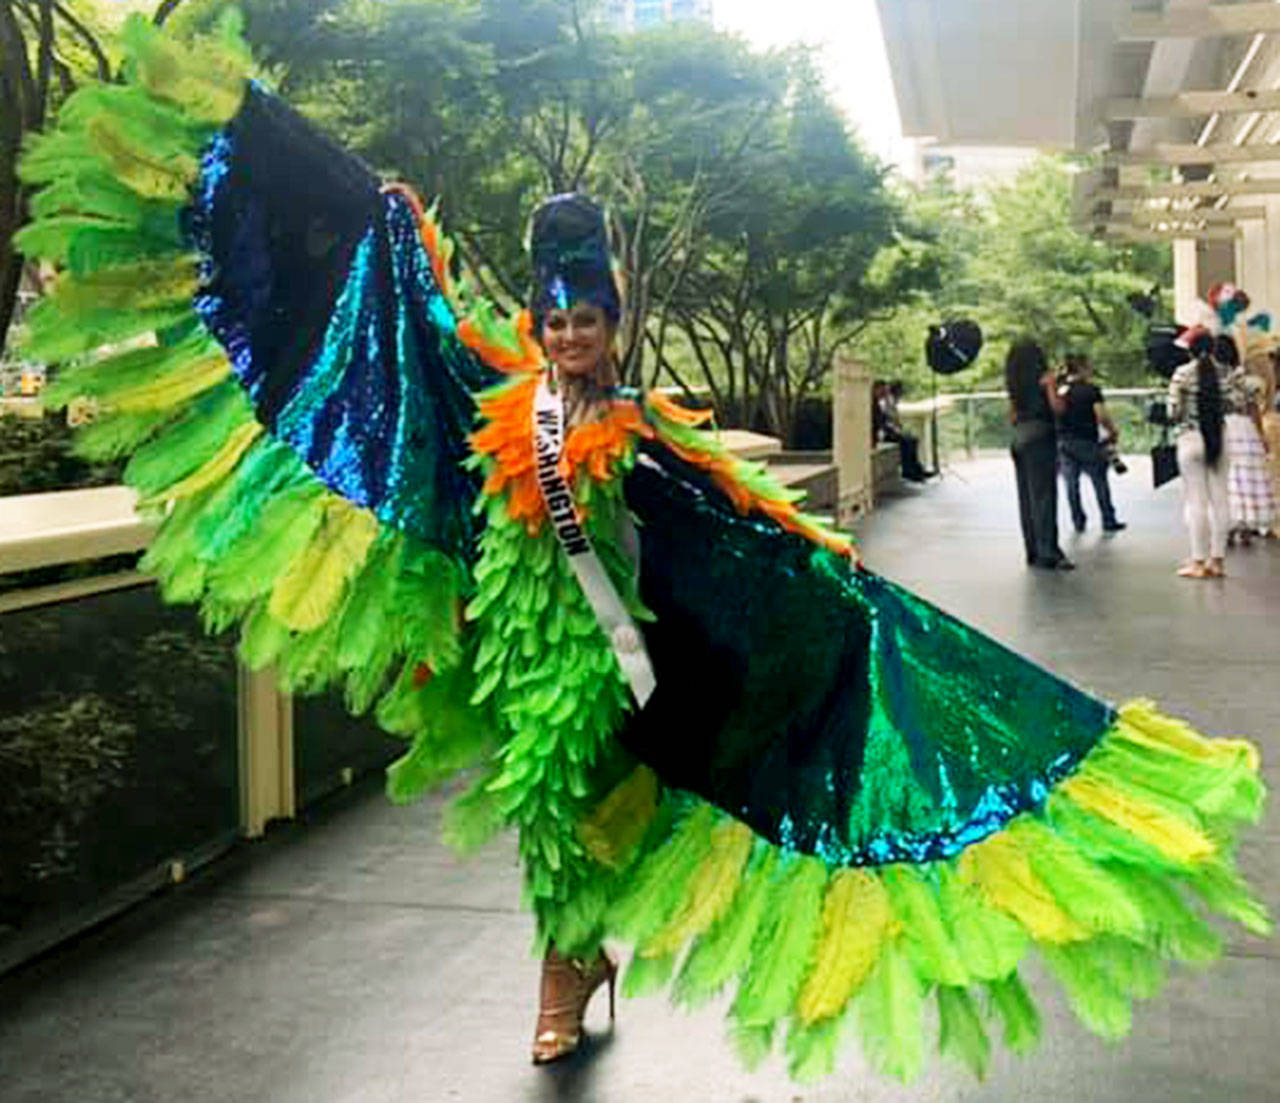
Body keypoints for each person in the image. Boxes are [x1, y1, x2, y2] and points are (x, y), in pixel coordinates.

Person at [16, 18, 1269, 1086]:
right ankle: (566, 965)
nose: (565, 334)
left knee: (613, 807)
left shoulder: (642, 429)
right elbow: (417, 333)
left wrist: (820, 572)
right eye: (551, 318)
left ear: (613, 322)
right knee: (551, 809)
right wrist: (391, 226)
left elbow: (736, 520)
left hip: (643, 657)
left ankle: (577, 957)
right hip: (531, 651)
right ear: (537, 320)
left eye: (585, 318)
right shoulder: (496, 388)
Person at [1167, 330, 1247, 578]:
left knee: (1196, 501)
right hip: (1218, 438)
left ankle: (1198, 561)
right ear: (1213, 349)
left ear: (1189, 350)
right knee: (1220, 498)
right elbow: (1238, 403)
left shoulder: (1182, 373)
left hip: (1190, 439)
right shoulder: (1227, 373)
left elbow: (1173, 412)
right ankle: (1218, 560)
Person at [1005, 340, 1072, 569]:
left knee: (1026, 498)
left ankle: (1032, 550)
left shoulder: (1014, 385)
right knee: (1044, 497)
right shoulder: (1045, 379)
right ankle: (1049, 551)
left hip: (1018, 439)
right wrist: (1052, 387)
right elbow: (1058, 409)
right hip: (1040, 437)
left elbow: (1012, 417)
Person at [1056, 353, 1125, 534]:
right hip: (1088, 441)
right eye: (1089, 366)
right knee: (1100, 481)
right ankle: (1108, 519)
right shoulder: (1091, 390)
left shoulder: (1060, 390)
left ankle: (1078, 520)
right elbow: (1101, 415)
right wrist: (1112, 431)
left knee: (1071, 483)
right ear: (1081, 368)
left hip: (1064, 442)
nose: (1091, 369)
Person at [1225, 335, 1276, 546]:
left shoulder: (1223, 379)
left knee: (1232, 479)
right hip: (1246, 431)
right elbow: (1253, 411)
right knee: (1251, 478)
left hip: (1228, 428)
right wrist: (1261, 437)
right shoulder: (1251, 383)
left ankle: (1232, 524)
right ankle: (1249, 524)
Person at [872, 379, 930, 482]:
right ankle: (908, 470)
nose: (884, 393)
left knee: (912, 440)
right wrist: (893, 428)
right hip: (883, 434)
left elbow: (886, 418)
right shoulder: (878, 403)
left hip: (887, 430)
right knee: (905, 441)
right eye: (882, 391)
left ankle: (916, 468)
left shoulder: (880, 402)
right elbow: (882, 421)